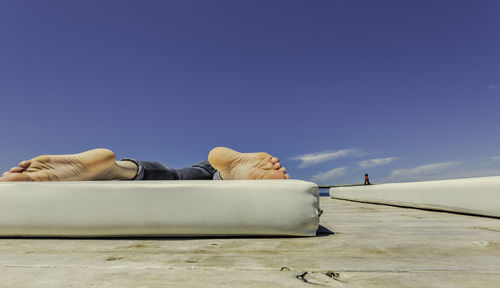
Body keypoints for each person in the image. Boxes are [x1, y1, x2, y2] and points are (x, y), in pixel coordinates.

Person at [0, 147, 290, 182]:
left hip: (185, 171)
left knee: (175, 176)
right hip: (209, 170)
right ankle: (229, 174)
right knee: (206, 174)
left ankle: (115, 170)